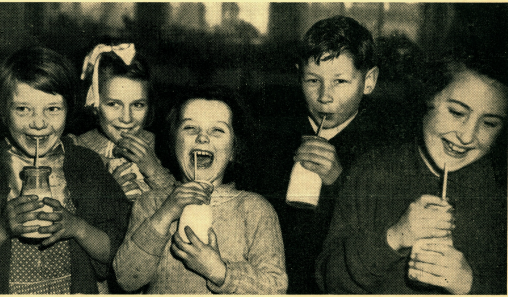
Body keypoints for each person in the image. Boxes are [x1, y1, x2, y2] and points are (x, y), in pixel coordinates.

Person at [239, 15, 412, 294]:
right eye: (312, 80)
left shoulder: (384, 151)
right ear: (299, 76)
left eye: (340, 81)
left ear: (369, 81)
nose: (324, 96)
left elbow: (377, 238)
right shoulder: (271, 136)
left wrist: (339, 181)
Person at [0, 46, 131, 294]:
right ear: (3, 111)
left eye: (52, 109)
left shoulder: (87, 165)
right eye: (22, 109)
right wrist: (1, 228)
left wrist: (76, 228)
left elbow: (118, 253)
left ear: (68, 109)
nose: (38, 123)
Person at [316, 53, 507, 294]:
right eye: (457, 112)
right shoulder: (373, 171)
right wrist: (394, 237)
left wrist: (469, 284)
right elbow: (330, 281)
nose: (467, 136)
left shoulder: (500, 196)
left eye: (489, 123)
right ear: (427, 100)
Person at [113, 87, 287, 294]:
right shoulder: (150, 203)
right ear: (173, 141)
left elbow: (276, 289)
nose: (202, 138)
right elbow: (125, 279)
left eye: (217, 130)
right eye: (190, 129)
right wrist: (165, 213)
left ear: (233, 150)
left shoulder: (254, 209)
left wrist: (220, 272)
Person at [74, 43, 175, 202]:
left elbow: (184, 205)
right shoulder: (76, 149)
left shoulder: (162, 147)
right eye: (114, 104)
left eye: (137, 105)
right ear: (95, 104)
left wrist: (154, 171)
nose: (126, 118)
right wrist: (106, 195)